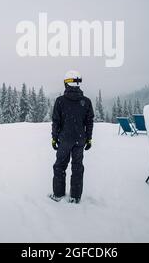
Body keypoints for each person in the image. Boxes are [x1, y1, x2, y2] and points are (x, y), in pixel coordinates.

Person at [50, 70, 94, 203]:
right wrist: (89, 138)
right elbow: (89, 122)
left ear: (66, 83)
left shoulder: (60, 101)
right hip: (79, 140)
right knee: (77, 167)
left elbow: (56, 121)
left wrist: (54, 137)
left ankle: (58, 194)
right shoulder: (86, 102)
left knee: (60, 166)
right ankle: (75, 197)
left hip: (64, 140)